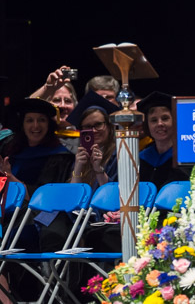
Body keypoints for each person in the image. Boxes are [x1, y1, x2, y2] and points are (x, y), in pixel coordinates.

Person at [0, 98, 74, 301]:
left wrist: (10, 178)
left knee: (14, 236)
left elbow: (46, 199)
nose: (35, 126)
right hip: (10, 216)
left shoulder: (61, 156)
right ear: (21, 124)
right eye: (29, 120)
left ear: (49, 125)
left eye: (41, 120)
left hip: (42, 221)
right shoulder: (11, 152)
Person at [137, 91, 195, 190]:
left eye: (165, 118)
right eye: (154, 120)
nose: (160, 124)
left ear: (175, 121)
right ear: (147, 125)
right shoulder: (142, 158)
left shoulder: (186, 157)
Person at [66, 91, 120, 190]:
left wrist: (98, 169)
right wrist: (78, 168)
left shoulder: (119, 156)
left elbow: (113, 194)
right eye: (87, 126)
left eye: (98, 124)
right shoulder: (80, 156)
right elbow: (72, 194)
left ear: (108, 126)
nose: (93, 131)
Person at [29, 66, 80, 153]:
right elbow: (27, 107)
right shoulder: (36, 136)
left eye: (68, 101)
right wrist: (47, 88)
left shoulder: (85, 138)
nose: (63, 106)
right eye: (57, 100)